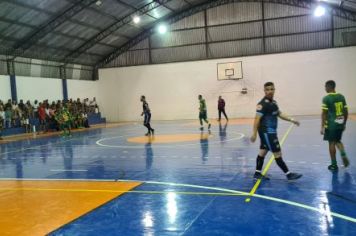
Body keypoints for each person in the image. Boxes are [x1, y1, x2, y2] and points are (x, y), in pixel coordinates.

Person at [250, 82, 302, 180]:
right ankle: (289, 174)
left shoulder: (274, 103)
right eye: (267, 89)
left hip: (271, 132)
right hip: (267, 133)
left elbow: (279, 114)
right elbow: (256, 119)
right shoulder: (262, 104)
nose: (270, 91)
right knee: (277, 153)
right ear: (264, 91)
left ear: (274, 90)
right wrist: (254, 133)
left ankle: (257, 173)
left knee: (263, 152)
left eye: (272, 89)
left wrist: (292, 120)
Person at [321, 80, 349, 171]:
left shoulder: (326, 98)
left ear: (329, 87)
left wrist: (322, 126)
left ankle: (334, 165)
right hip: (340, 123)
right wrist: (344, 123)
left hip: (331, 124)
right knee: (338, 140)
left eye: (325, 86)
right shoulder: (341, 97)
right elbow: (346, 112)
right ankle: (343, 153)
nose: (325, 88)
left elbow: (324, 114)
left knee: (331, 143)